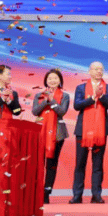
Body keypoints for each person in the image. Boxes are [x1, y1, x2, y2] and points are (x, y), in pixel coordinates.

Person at [70, 61, 108, 204]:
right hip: (82, 130)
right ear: (89, 71)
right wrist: (91, 98)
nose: (98, 71)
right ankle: (77, 195)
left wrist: (101, 96)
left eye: (101, 69)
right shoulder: (81, 87)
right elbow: (77, 105)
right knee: (80, 164)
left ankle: (96, 195)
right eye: (95, 69)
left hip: (101, 130)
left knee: (98, 165)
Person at [32, 69, 70, 204]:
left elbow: (62, 111)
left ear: (60, 81)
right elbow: (35, 112)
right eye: (50, 78)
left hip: (58, 134)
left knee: (51, 165)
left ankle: (46, 193)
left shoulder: (65, 96)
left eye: (55, 78)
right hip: (40, 132)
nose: (52, 81)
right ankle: (35, 192)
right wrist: (45, 101)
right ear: (46, 81)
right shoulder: (39, 95)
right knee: (38, 164)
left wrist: (52, 100)